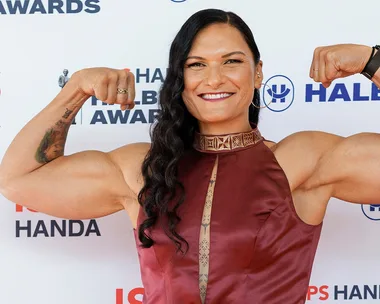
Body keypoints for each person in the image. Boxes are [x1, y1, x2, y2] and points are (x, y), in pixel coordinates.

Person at [0, 8, 379, 304]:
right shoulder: (144, 170)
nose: (213, 79)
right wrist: (76, 89)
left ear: (258, 73)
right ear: (180, 79)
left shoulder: (301, 161)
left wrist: (372, 61)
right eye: (196, 65)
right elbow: (19, 180)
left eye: (231, 61)